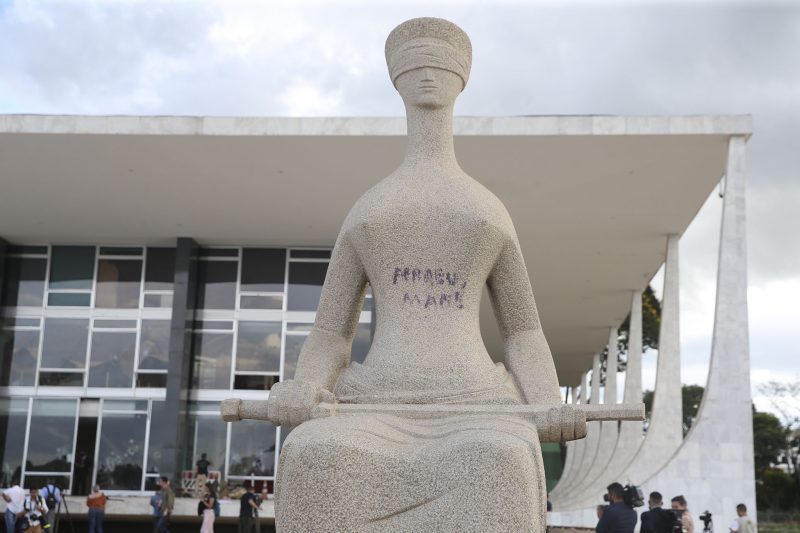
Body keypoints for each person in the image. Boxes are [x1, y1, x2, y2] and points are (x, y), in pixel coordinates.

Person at [265, 17, 583, 531]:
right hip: (373, 400)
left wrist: (547, 403)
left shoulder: (485, 210)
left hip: (477, 400)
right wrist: (305, 386)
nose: (428, 78)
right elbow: (330, 332)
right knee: (315, 454)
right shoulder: (371, 210)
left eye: (441, 66)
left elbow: (522, 330)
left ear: (462, 81)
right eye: (415, 67)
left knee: (494, 460)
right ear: (396, 81)